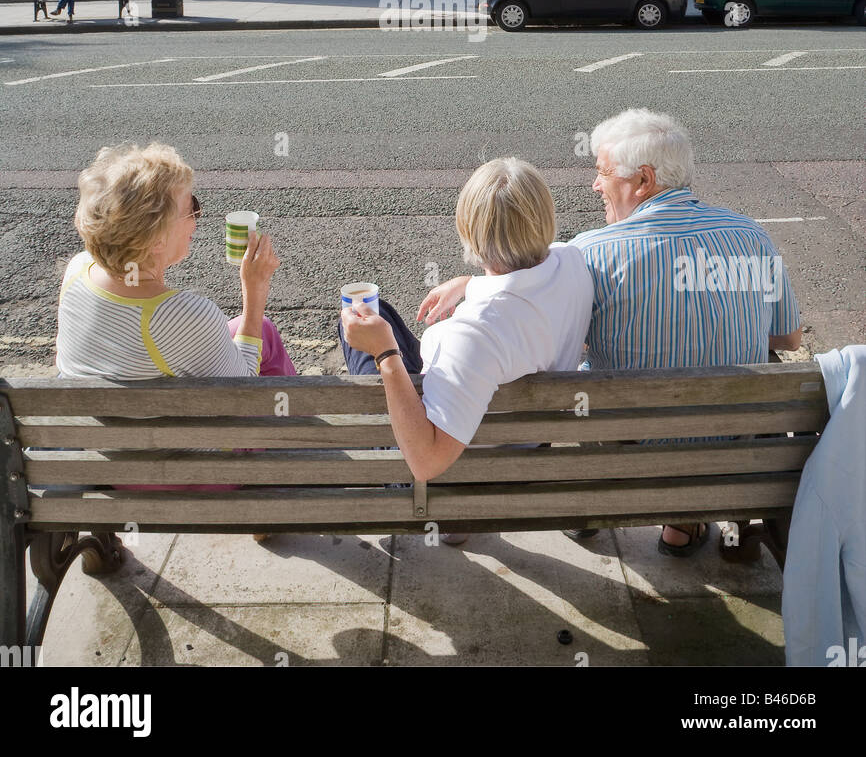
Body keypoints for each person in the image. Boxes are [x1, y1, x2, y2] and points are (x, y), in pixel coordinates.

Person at [424, 111, 802, 559]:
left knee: (590, 376)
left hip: (631, 456)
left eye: (602, 173)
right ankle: (681, 526)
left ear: (643, 180)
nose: (595, 185)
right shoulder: (751, 237)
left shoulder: (594, 254)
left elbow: (540, 315)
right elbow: (789, 339)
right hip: (738, 458)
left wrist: (470, 284)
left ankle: (590, 513)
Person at [339, 157, 594, 543]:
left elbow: (426, 463)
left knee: (358, 328)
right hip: (528, 444)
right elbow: (524, 275)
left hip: (458, 474)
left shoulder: (473, 334)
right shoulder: (574, 262)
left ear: (470, 233)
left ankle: (454, 518)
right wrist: (468, 283)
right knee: (383, 312)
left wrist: (385, 354)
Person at [57, 142, 294, 380]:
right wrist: (255, 290)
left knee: (263, 330)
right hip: (170, 417)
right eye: (192, 208)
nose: (196, 219)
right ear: (157, 239)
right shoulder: (183, 316)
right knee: (260, 328)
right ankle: (296, 415)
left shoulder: (77, 268)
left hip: (87, 414)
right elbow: (244, 387)